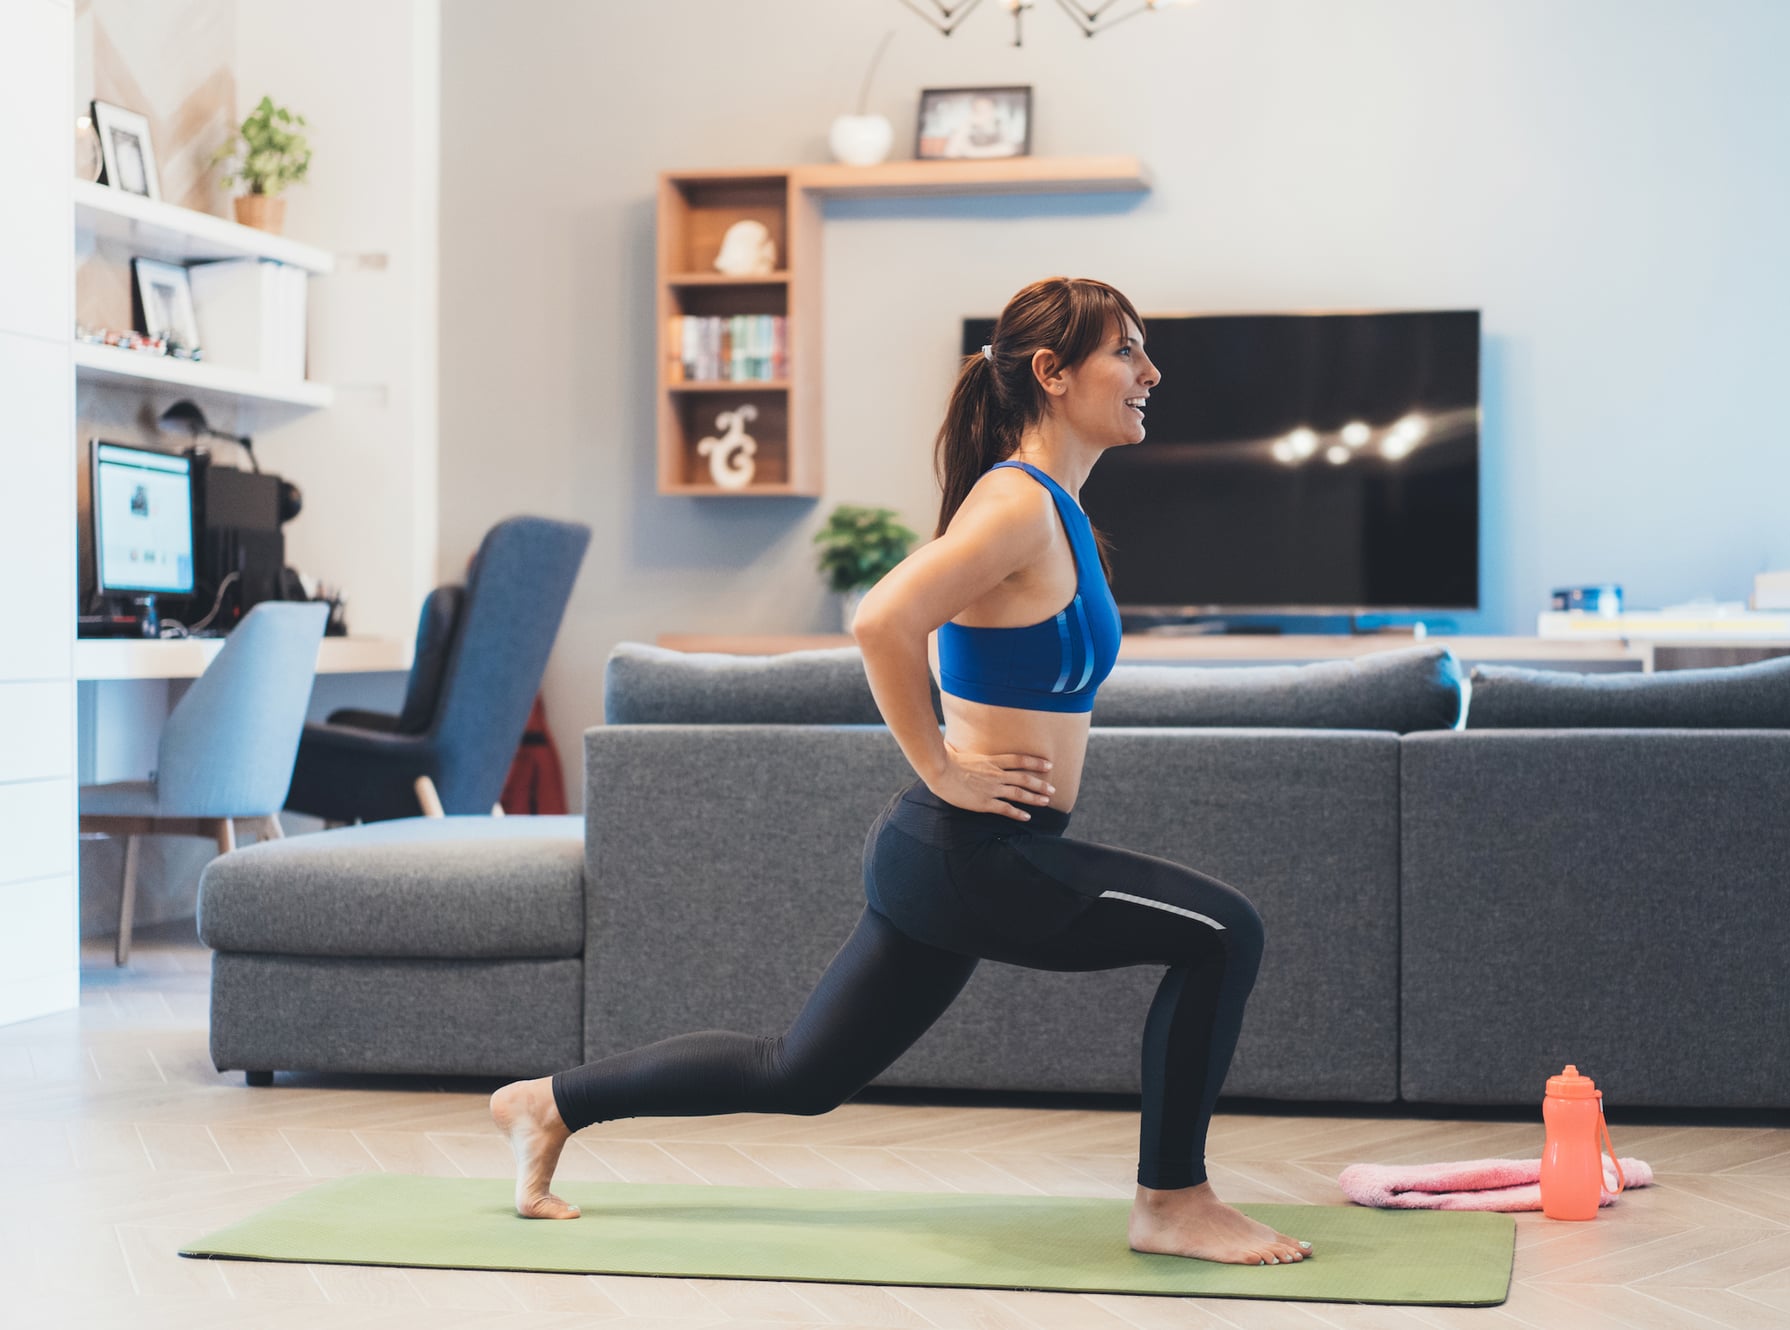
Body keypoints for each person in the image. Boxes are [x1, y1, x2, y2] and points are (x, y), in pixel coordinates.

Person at [490, 277, 1311, 1267]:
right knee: (1225, 932)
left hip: (952, 855)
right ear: (1051, 373)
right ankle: (1171, 1200)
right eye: (1125, 351)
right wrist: (941, 765)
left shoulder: (1052, 509)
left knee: (798, 1072)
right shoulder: (1014, 504)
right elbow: (881, 618)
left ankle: (548, 1104)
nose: (1151, 372)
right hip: (969, 849)